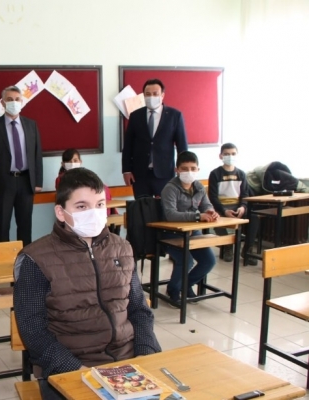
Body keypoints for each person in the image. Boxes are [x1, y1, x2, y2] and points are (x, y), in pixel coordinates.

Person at [13, 168, 161, 400]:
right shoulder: (35, 259)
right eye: (82, 206)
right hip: (69, 367)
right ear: (61, 212)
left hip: (127, 362)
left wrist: (145, 355)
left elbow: (139, 311)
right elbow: (33, 331)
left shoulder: (122, 248)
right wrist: (76, 371)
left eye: (100, 204)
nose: (94, 213)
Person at [0, 85, 43, 246]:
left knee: (25, 226)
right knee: (2, 226)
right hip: (3, 183)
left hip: (26, 182)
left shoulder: (31, 125)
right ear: (2, 103)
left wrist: (38, 182)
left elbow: (37, 154)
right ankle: (1, 260)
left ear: (21, 102)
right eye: (9, 99)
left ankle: (25, 259)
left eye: (17, 99)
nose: (13, 102)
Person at [161, 151, 219, 306]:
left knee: (208, 261)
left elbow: (206, 205)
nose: (189, 172)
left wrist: (210, 211)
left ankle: (185, 285)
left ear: (198, 169)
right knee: (186, 260)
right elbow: (170, 215)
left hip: (193, 232)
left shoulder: (199, 186)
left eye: (193, 168)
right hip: (171, 234)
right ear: (177, 170)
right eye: (185, 169)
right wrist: (198, 216)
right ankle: (173, 290)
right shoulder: (170, 188)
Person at [122, 79, 188, 198]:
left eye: (155, 93)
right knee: (143, 207)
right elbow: (128, 145)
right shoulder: (135, 115)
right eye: (148, 94)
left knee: (165, 207)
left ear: (162, 95)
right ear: (143, 96)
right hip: (140, 174)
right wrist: (126, 170)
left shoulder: (175, 115)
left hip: (165, 173)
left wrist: (184, 169)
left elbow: (182, 145)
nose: (151, 97)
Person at [208, 143, 258, 265]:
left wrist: (243, 207)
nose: (230, 156)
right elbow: (213, 197)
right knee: (215, 218)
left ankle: (247, 250)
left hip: (238, 206)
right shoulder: (215, 174)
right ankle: (227, 246)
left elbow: (245, 194)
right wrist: (224, 210)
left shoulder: (241, 174)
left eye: (233, 154)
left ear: (237, 155)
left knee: (254, 217)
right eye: (226, 154)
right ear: (220, 156)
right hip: (221, 207)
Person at [55, 148, 117, 217]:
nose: (72, 163)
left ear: (80, 161)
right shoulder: (60, 179)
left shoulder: (86, 175)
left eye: (75, 160)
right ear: (63, 164)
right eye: (69, 161)